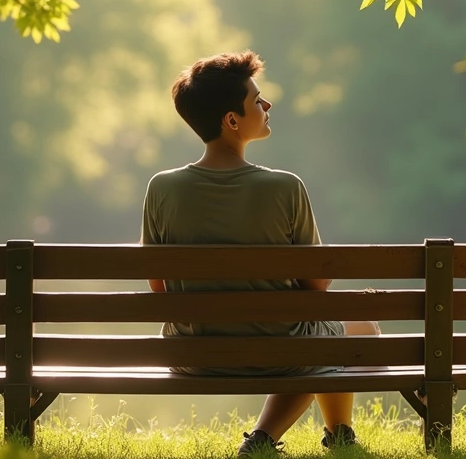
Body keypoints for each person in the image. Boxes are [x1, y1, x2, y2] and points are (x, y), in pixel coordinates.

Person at [139, 50, 381, 457]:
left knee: (316, 342)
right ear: (232, 120)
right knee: (358, 327)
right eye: (256, 100)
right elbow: (317, 285)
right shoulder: (284, 188)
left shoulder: (161, 188)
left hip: (192, 354)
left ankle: (323, 439)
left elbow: (157, 283)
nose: (266, 106)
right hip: (281, 353)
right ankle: (293, 438)